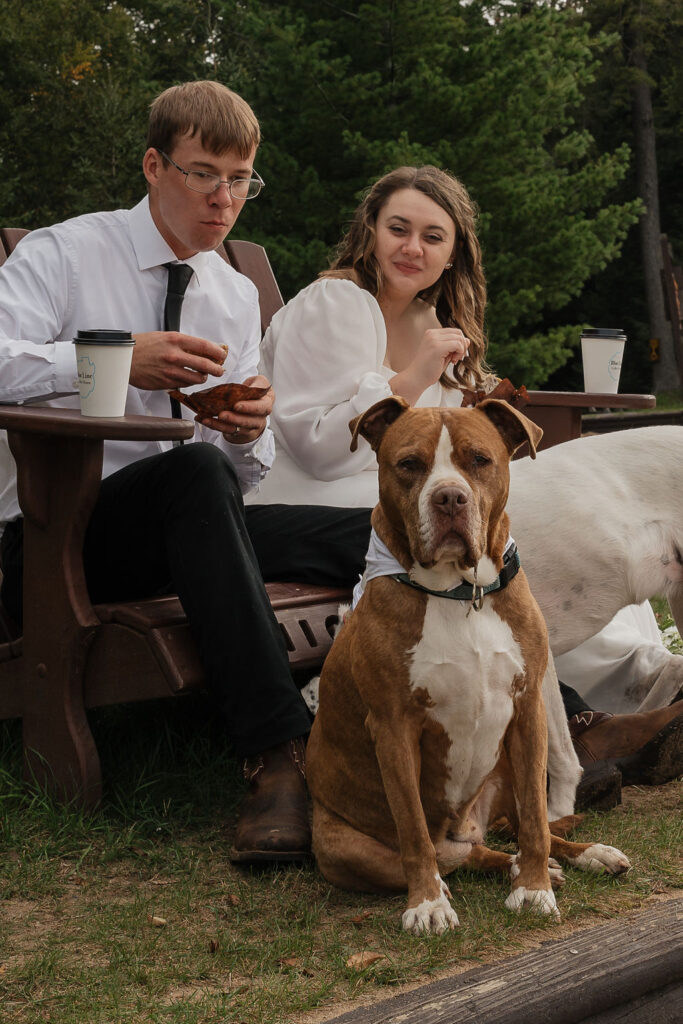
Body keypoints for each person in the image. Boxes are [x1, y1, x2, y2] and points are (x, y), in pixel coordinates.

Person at [0, 80, 372, 864]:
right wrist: (110, 358)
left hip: (188, 524)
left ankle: (556, 715)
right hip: (48, 537)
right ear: (152, 165)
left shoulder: (230, 293)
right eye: (203, 173)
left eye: (240, 179)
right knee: (194, 473)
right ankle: (278, 756)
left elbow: (236, 478)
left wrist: (246, 430)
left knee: (384, 531)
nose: (223, 198)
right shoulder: (64, 255)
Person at [250, 164, 683, 799]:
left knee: (502, 532)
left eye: (432, 237)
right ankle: (578, 733)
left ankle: (600, 713)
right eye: (398, 229)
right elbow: (318, 446)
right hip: (299, 506)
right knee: (487, 544)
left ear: (454, 253)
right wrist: (419, 370)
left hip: (395, 499)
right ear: (369, 231)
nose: (412, 248)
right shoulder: (336, 302)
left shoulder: (431, 320)